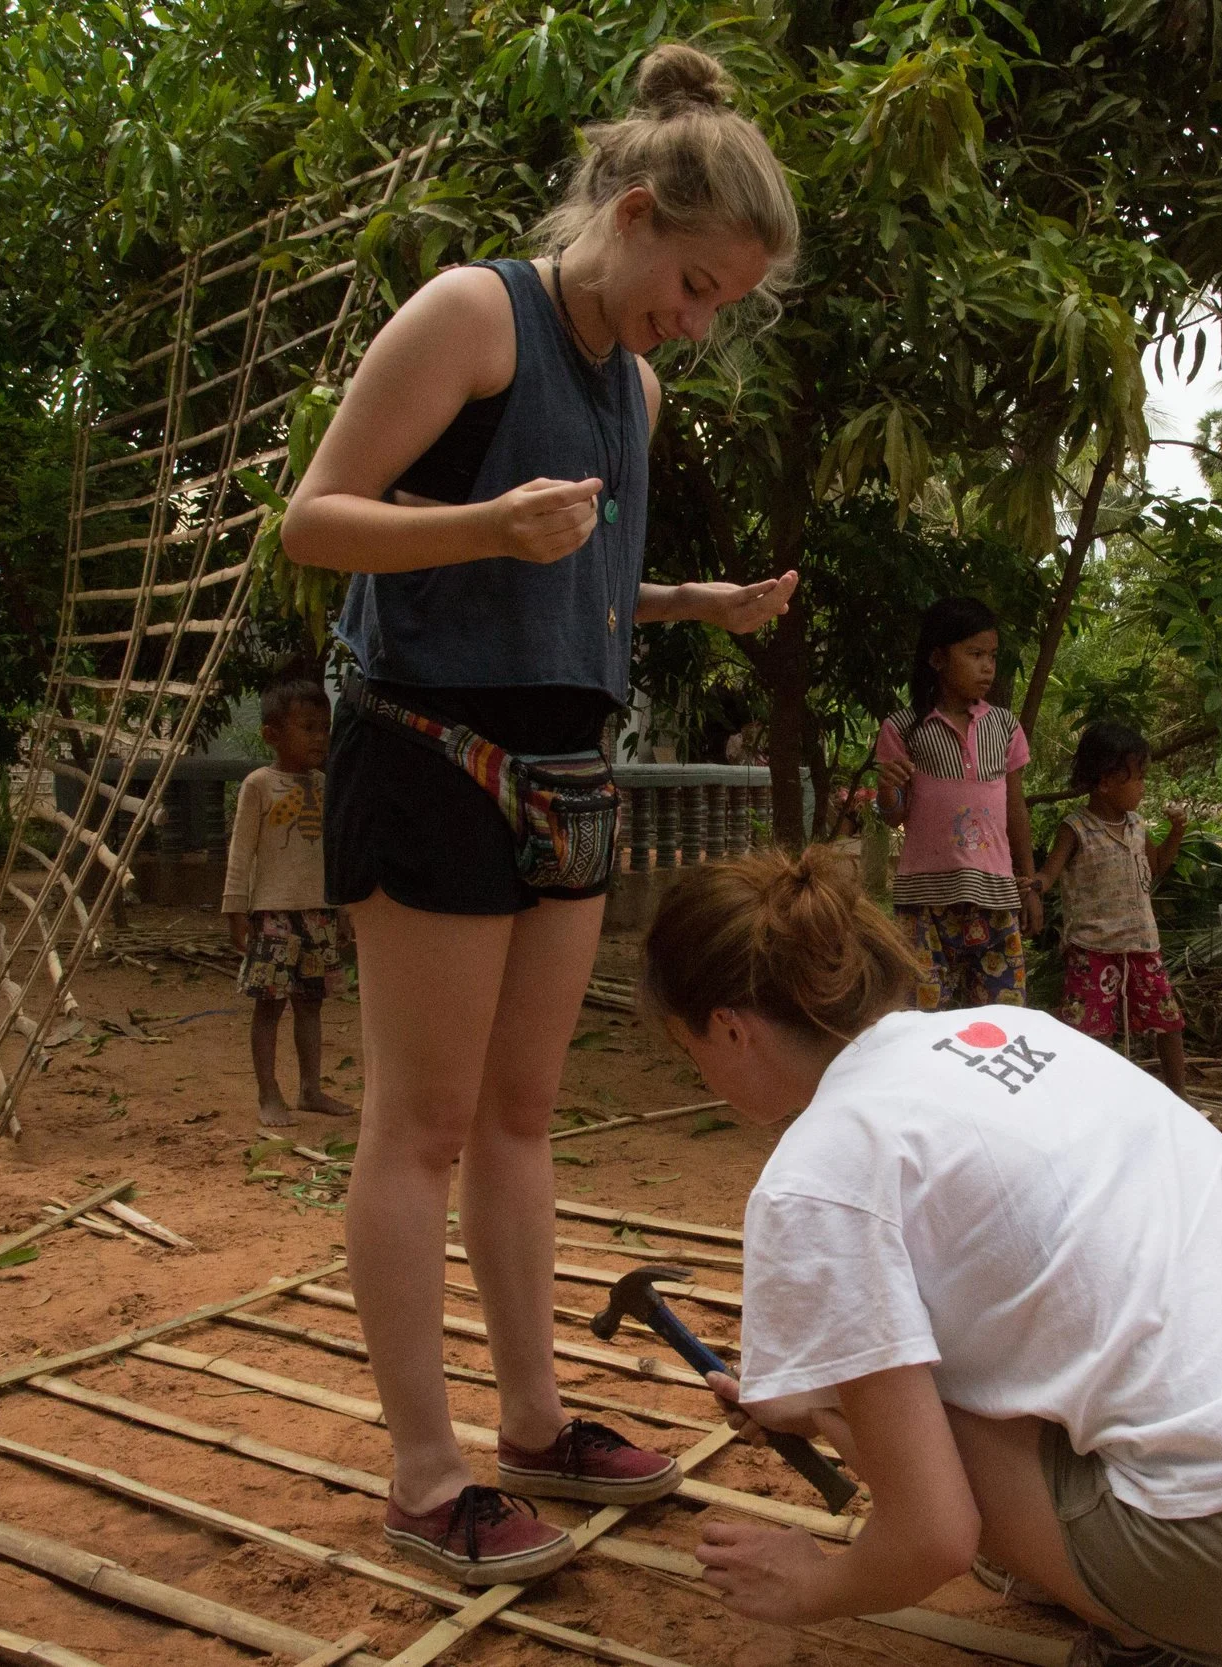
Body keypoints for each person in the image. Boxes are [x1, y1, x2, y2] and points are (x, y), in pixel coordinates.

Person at [281, 42, 802, 1586]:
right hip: (430, 750)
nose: (696, 325)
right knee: (421, 1122)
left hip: (571, 770)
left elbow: (559, 573)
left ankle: (531, 1419)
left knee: (520, 1115)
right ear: (634, 213)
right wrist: (489, 522)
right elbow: (318, 524)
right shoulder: (470, 314)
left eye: (721, 305)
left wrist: (682, 600)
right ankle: (424, 1470)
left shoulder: (628, 381)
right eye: (696, 286)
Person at [643, 849, 1222, 1667]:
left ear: (729, 1025)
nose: (702, 1074)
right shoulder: (1002, 1028)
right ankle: (1102, 1561)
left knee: (921, 1409)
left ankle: (1146, 1629)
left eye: (689, 1050)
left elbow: (936, 1536)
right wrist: (816, 1402)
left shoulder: (814, 1174)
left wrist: (814, 1583)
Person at [873, 596, 1039, 1010]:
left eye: (992, 656)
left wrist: (1031, 884)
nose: (987, 666)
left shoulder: (1004, 726)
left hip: (996, 899)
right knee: (923, 1021)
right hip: (924, 901)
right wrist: (888, 789)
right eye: (975, 653)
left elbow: (1016, 810)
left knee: (1001, 1019)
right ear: (937, 658)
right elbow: (894, 816)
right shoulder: (904, 728)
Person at [223, 679, 357, 1127]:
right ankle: (268, 1091)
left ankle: (310, 1089)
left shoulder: (326, 786)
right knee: (269, 1004)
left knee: (311, 1004)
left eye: (324, 727)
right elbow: (240, 853)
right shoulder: (258, 785)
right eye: (307, 728)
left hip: (317, 912)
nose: (320, 737)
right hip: (273, 914)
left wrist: (342, 910)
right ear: (272, 734)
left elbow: (334, 852)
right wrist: (235, 910)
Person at [1032, 721, 1191, 1094]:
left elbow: (1156, 867)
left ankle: (1180, 1095)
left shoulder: (1137, 825)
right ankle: (1092, 1097)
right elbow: (1050, 871)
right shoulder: (1076, 828)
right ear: (1105, 783)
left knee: (1167, 1020)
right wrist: (1035, 886)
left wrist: (1177, 835)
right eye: (1136, 779)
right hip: (1093, 948)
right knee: (1089, 1030)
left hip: (1142, 945)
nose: (1142, 787)